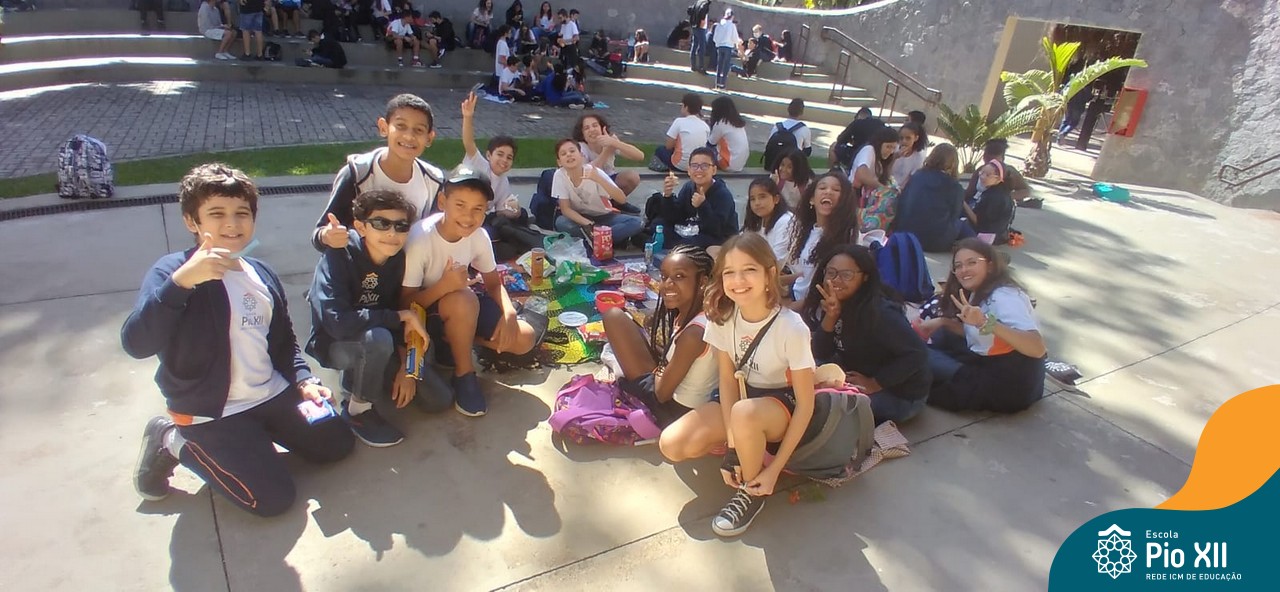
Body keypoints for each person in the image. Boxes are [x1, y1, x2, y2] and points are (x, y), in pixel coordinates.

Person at [124, 163, 355, 516]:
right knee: (272, 500)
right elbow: (136, 343)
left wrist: (304, 380)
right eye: (217, 214)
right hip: (211, 412)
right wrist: (181, 284)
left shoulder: (260, 273)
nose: (232, 223)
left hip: (269, 393)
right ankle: (170, 439)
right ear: (192, 221)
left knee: (337, 444)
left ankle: (253, 442)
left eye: (241, 213)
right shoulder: (172, 272)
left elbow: (284, 343)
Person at [659, 233, 818, 537]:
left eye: (749, 270)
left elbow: (806, 404)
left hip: (781, 405)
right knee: (672, 444)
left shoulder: (792, 328)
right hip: (743, 399)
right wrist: (733, 447)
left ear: (769, 274)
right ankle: (746, 448)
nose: (738, 280)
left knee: (744, 413)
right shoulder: (723, 318)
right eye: (729, 272)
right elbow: (727, 381)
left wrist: (774, 470)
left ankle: (753, 490)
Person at [307, 190, 451, 447]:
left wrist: (406, 367)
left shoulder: (398, 260)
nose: (392, 233)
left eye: (401, 226)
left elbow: (404, 313)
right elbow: (337, 323)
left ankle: (370, 373)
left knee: (438, 399)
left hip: (383, 339)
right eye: (381, 223)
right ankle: (357, 409)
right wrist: (397, 317)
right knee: (378, 338)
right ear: (361, 227)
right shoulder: (338, 255)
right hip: (337, 344)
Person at [399, 171, 541, 417]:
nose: (468, 216)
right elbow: (404, 303)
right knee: (463, 298)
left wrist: (508, 313)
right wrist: (444, 286)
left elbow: (493, 284)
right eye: (460, 205)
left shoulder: (479, 235)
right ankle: (464, 373)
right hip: (424, 315)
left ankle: (454, 341)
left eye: (478, 209)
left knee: (524, 339)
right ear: (442, 202)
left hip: (461, 306)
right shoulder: (421, 238)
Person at [802, 245, 931, 425]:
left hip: (900, 396)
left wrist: (875, 383)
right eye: (831, 272)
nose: (836, 280)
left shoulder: (881, 313)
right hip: (858, 369)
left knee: (823, 402)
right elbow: (821, 353)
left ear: (865, 277)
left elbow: (918, 353)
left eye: (846, 275)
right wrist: (831, 316)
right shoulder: (836, 300)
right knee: (803, 371)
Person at [919, 238, 1047, 412]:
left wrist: (984, 322)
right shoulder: (980, 291)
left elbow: (1037, 348)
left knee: (915, 353)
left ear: (990, 266)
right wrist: (943, 322)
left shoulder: (1004, 297)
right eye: (958, 266)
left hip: (1007, 384)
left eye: (972, 262)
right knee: (940, 335)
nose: (964, 270)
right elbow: (983, 335)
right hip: (994, 366)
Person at [603, 245, 719, 427]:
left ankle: (621, 372)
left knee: (613, 317)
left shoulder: (694, 334)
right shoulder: (704, 312)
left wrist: (661, 366)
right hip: (680, 393)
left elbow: (661, 394)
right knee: (626, 324)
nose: (667, 284)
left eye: (679, 276)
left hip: (672, 410)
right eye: (664, 277)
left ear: (703, 282)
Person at [313, 94, 445, 252]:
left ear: (429, 138)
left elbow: (435, 235)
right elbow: (320, 234)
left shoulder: (434, 181)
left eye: (419, 130)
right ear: (384, 127)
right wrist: (327, 236)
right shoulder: (357, 173)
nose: (409, 136)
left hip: (410, 265)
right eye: (401, 126)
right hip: (359, 265)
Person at [786, 171, 859, 305]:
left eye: (836, 190)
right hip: (795, 294)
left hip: (814, 306)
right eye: (822, 188)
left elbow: (826, 292)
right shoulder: (809, 230)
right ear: (812, 199)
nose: (828, 192)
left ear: (844, 200)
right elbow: (806, 273)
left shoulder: (847, 237)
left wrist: (789, 309)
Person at [551, 139, 644, 244]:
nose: (569, 155)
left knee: (637, 222)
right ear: (559, 162)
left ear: (581, 155)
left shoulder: (594, 172)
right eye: (563, 154)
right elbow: (566, 209)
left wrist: (598, 179)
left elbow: (622, 199)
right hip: (580, 218)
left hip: (604, 216)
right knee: (561, 222)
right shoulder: (559, 175)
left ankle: (595, 239)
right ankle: (605, 240)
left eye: (572, 151)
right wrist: (589, 224)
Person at [894, 143, 974, 252]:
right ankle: (978, 246)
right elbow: (955, 214)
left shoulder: (917, 176)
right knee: (962, 224)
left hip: (905, 236)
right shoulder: (954, 186)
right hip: (935, 242)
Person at [655, 147, 738, 249]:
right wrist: (667, 196)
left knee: (690, 242)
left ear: (714, 170)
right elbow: (674, 217)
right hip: (691, 230)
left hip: (718, 238)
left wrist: (702, 206)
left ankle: (674, 246)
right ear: (689, 170)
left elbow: (716, 229)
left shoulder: (722, 194)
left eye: (705, 166)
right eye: (694, 166)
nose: (699, 170)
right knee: (658, 225)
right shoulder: (688, 187)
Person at [573, 113, 646, 197]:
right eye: (586, 128)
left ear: (602, 128)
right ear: (582, 134)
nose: (592, 130)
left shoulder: (609, 141)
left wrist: (615, 143)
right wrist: (606, 152)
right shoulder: (580, 147)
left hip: (610, 178)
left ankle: (616, 201)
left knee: (632, 177)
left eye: (595, 126)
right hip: (590, 183)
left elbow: (640, 156)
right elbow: (586, 174)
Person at [742, 177, 797, 265]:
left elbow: (777, 260)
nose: (757, 203)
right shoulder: (757, 221)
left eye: (762, 197)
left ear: (776, 199)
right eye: (752, 199)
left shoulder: (786, 221)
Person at [652, 93, 710, 173]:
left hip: (680, 165)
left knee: (660, 150)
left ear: (686, 107)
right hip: (697, 165)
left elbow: (668, 146)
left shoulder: (679, 122)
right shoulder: (705, 126)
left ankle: (661, 166)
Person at [964, 138, 1032, 205]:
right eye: (987, 160)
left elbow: (1027, 191)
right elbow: (969, 192)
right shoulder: (980, 171)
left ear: (1003, 159)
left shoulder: (1010, 172)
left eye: (995, 162)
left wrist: (1005, 197)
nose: (990, 165)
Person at [968, 159, 1015, 244]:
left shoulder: (995, 197)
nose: (982, 177)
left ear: (998, 179)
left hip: (989, 236)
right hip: (998, 233)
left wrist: (962, 203)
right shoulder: (999, 190)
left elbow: (978, 221)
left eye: (987, 175)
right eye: (981, 172)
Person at [707, 96, 749, 172]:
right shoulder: (737, 123)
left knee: (706, 149)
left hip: (728, 164)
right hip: (740, 164)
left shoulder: (721, 124)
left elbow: (710, 144)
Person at [711, 9, 741, 90]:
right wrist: (736, 42)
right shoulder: (732, 26)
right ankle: (722, 84)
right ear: (732, 16)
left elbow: (715, 37)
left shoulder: (719, 25)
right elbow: (735, 38)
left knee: (719, 65)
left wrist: (718, 43)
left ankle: (717, 84)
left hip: (720, 47)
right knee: (726, 66)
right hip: (728, 47)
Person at [892, 121, 927, 188]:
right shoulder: (894, 149)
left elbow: (912, 179)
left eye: (908, 138)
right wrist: (895, 157)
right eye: (901, 138)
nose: (904, 141)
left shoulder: (918, 157)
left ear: (916, 138)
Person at [687, 0, 711, 74]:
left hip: (695, 27)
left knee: (694, 46)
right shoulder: (705, 3)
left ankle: (693, 65)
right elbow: (702, 11)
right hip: (700, 28)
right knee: (702, 47)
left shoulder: (699, 2)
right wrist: (702, 20)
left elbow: (690, 10)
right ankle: (701, 67)